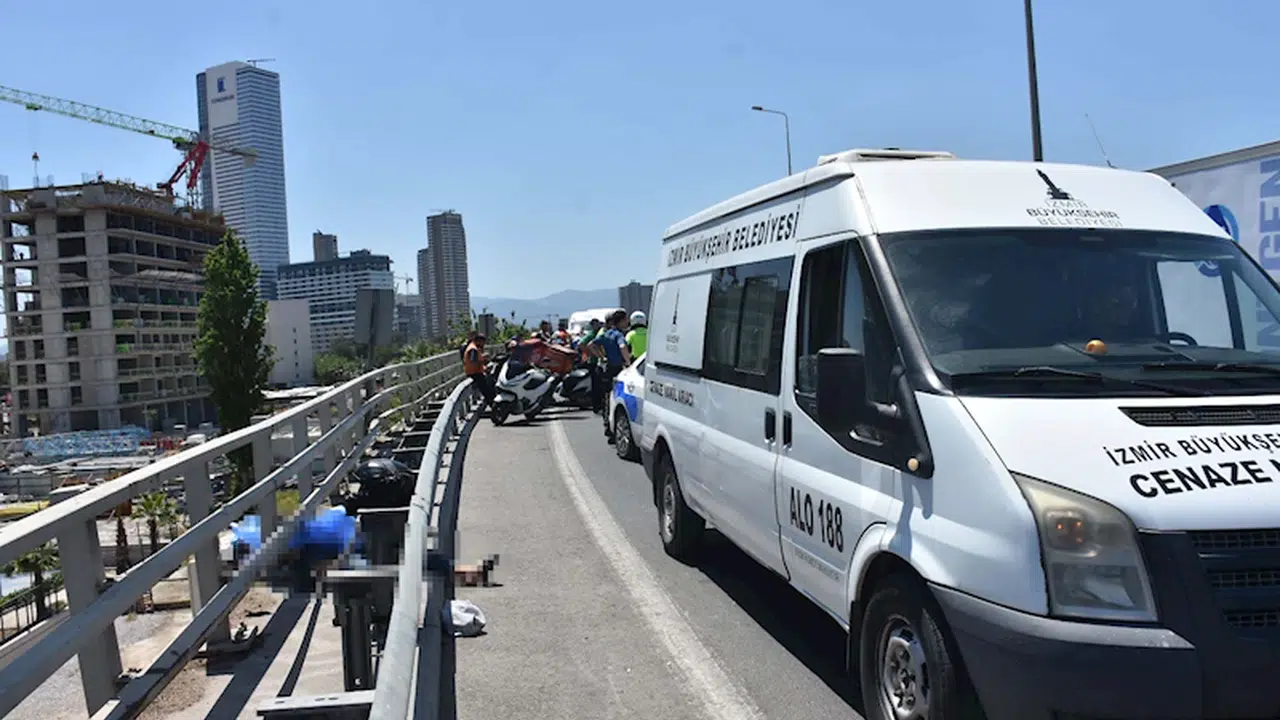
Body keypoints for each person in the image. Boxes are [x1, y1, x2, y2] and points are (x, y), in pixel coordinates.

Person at [592, 310, 632, 440]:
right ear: (621, 321)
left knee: (607, 397)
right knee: (618, 398)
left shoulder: (607, 334)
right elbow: (622, 346)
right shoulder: (618, 335)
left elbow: (591, 345)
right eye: (626, 320)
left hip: (608, 368)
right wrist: (628, 362)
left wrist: (601, 357)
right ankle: (615, 427)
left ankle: (607, 425)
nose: (627, 322)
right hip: (618, 369)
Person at [463, 333, 495, 412]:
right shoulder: (473, 349)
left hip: (476, 372)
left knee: (488, 387)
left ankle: (493, 405)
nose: (484, 344)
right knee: (487, 390)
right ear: (479, 341)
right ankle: (494, 406)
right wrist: (483, 360)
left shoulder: (473, 347)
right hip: (474, 373)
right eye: (483, 342)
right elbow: (473, 361)